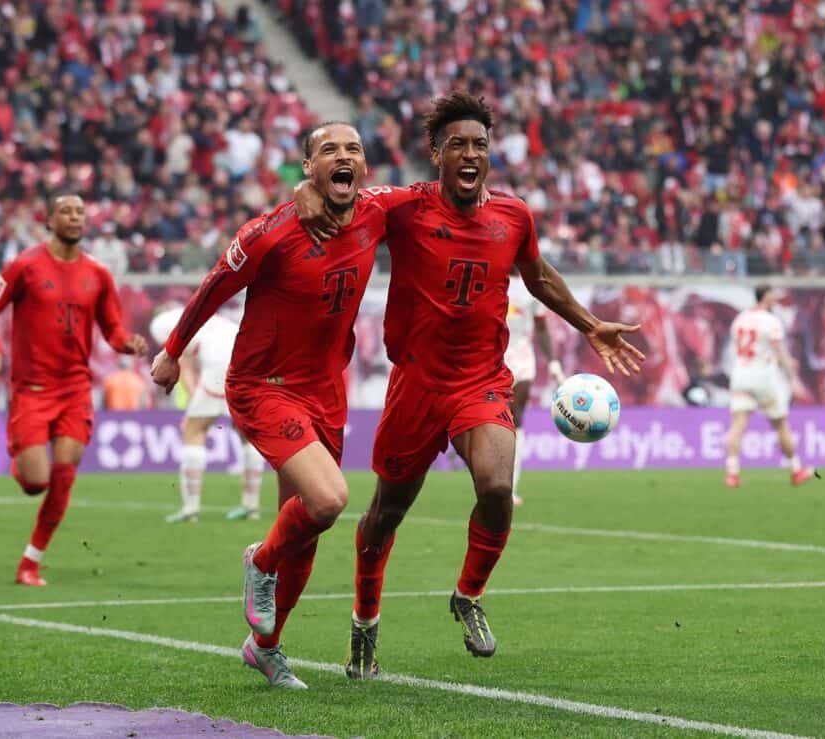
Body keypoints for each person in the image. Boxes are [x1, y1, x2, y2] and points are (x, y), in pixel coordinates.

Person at [294, 92, 644, 678]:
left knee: (497, 487)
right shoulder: (404, 207)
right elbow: (341, 194)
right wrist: (305, 190)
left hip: (481, 380)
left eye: (480, 144)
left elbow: (538, 275)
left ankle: (469, 595)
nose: (470, 153)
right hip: (415, 386)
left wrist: (590, 325)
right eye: (457, 144)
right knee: (385, 515)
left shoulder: (514, 216)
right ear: (437, 153)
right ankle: (364, 622)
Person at [150, 122, 388, 689]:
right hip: (264, 385)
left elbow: (438, 199)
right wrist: (171, 351)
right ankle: (260, 561)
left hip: (326, 390)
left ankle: (265, 647)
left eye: (353, 148)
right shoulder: (269, 233)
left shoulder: (379, 212)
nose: (343, 156)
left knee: (305, 531)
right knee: (328, 499)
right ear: (308, 167)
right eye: (328, 150)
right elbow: (213, 287)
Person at [0, 192, 147, 587]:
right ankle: (22, 458)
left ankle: (30, 562)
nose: (74, 217)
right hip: (32, 389)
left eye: (80, 212)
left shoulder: (98, 273)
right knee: (36, 482)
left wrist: (126, 343)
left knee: (65, 474)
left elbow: (112, 327)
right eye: (65, 211)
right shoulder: (25, 266)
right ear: (49, 221)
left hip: (75, 389)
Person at [148, 304, 266, 523]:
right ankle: (251, 507)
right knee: (246, 434)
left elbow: (179, 361)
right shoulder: (205, 317)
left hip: (217, 364)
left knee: (194, 430)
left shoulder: (160, 324)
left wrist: (195, 402)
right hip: (246, 360)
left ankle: (190, 509)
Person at [725, 286, 816, 488]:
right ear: (765, 297)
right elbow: (780, 351)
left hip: (741, 375)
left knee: (737, 425)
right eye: (772, 295)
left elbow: (739, 346)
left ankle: (732, 473)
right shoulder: (770, 321)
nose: (775, 299)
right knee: (781, 424)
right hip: (764, 377)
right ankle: (796, 470)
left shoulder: (740, 318)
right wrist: (793, 378)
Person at [504, 275, 566, 505]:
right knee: (495, 418)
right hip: (493, 353)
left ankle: (510, 487)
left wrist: (553, 362)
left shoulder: (531, 287)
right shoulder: (494, 278)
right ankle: (490, 479)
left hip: (521, 355)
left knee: (515, 417)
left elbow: (541, 328)